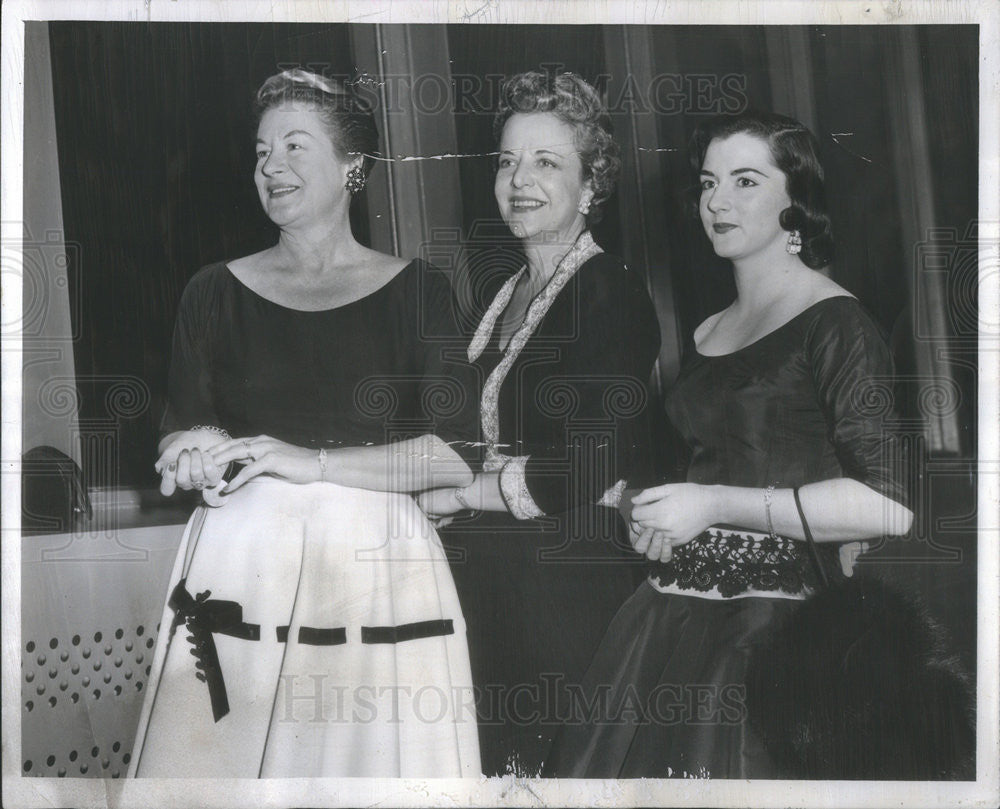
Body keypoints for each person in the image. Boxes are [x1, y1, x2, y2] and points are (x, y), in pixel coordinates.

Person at [129, 69, 481, 778]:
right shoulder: (212, 291)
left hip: (377, 571)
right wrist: (191, 452)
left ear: (353, 166)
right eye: (262, 152)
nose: (271, 167)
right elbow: (180, 431)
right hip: (242, 564)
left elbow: (452, 456)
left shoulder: (421, 290)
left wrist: (307, 461)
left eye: (295, 146)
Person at [543, 110, 915, 779]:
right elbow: (702, 464)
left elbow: (887, 505)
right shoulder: (711, 327)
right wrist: (649, 514)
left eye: (745, 181)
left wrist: (711, 502)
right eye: (710, 182)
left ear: (796, 200)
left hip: (773, 629)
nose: (716, 201)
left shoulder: (837, 323)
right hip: (665, 614)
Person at [414, 72, 662, 777]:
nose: (519, 179)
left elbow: (592, 461)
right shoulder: (503, 293)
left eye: (546, 162)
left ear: (591, 185)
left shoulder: (610, 290)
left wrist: (463, 493)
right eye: (507, 161)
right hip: (488, 584)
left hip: (564, 591)